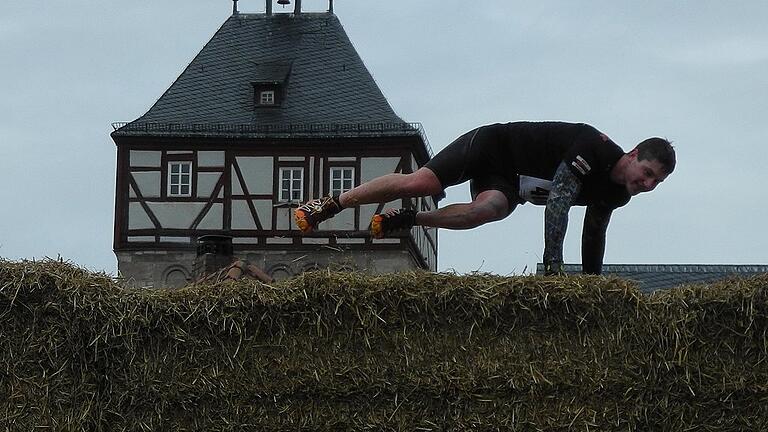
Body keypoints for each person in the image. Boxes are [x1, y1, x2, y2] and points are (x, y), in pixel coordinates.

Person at [294, 121, 676, 275]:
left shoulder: (616, 194)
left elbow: (593, 235)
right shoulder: (593, 147)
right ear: (633, 154)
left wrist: (592, 290)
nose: (647, 185)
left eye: (655, 183)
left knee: (487, 211)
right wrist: (554, 268)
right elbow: (559, 202)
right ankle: (332, 203)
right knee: (420, 184)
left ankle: (409, 220)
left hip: (508, 184)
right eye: (647, 173)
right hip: (493, 147)